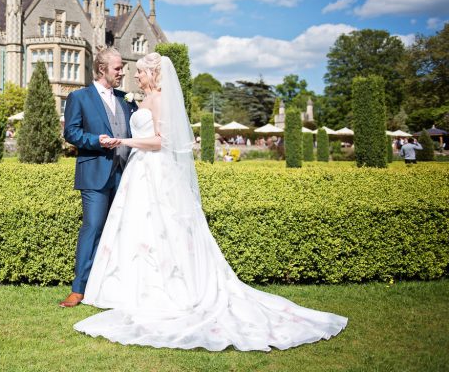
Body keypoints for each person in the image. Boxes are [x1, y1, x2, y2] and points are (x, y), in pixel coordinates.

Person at [73, 52, 347, 351]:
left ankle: (164, 289)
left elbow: (161, 140)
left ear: (153, 74)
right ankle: (116, 288)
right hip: (135, 172)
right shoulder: (131, 100)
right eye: (127, 70)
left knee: (161, 228)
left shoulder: (155, 99)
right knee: (133, 229)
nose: (133, 76)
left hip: (152, 169)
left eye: (138, 72)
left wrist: (124, 142)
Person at [59, 47, 138, 308]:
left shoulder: (126, 99)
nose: (122, 72)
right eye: (118, 68)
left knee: (123, 231)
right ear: (102, 69)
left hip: (126, 175)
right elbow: (71, 133)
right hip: (95, 173)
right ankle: (78, 289)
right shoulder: (79, 97)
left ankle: (114, 286)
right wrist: (96, 140)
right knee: (92, 228)